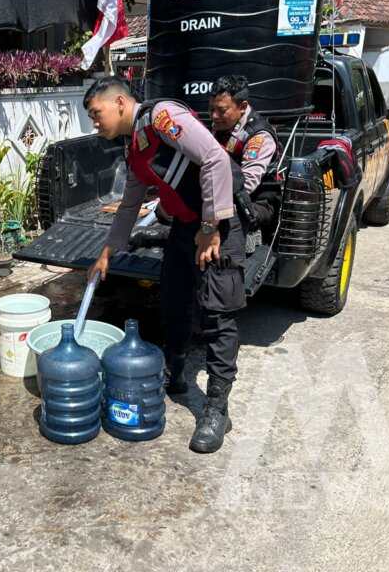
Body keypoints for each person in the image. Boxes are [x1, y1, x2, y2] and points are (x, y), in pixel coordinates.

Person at [85, 77, 245, 454]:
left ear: (120, 102)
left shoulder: (161, 117)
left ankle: (217, 408)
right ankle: (175, 375)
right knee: (174, 302)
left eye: (96, 113)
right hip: (185, 227)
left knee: (217, 316)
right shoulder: (134, 147)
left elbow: (215, 159)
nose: (94, 122)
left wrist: (210, 228)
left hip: (218, 224)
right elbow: (130, 203)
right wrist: (109, 250)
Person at [210, 75, 281, 232]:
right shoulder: (221, 124)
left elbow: (247, 183)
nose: (214, 116)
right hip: (222, 192)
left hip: (257, 201)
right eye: (211, 109)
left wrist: (210, 203)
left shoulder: (259, 136)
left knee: (221, 215)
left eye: (221, 110)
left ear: (242, 107)